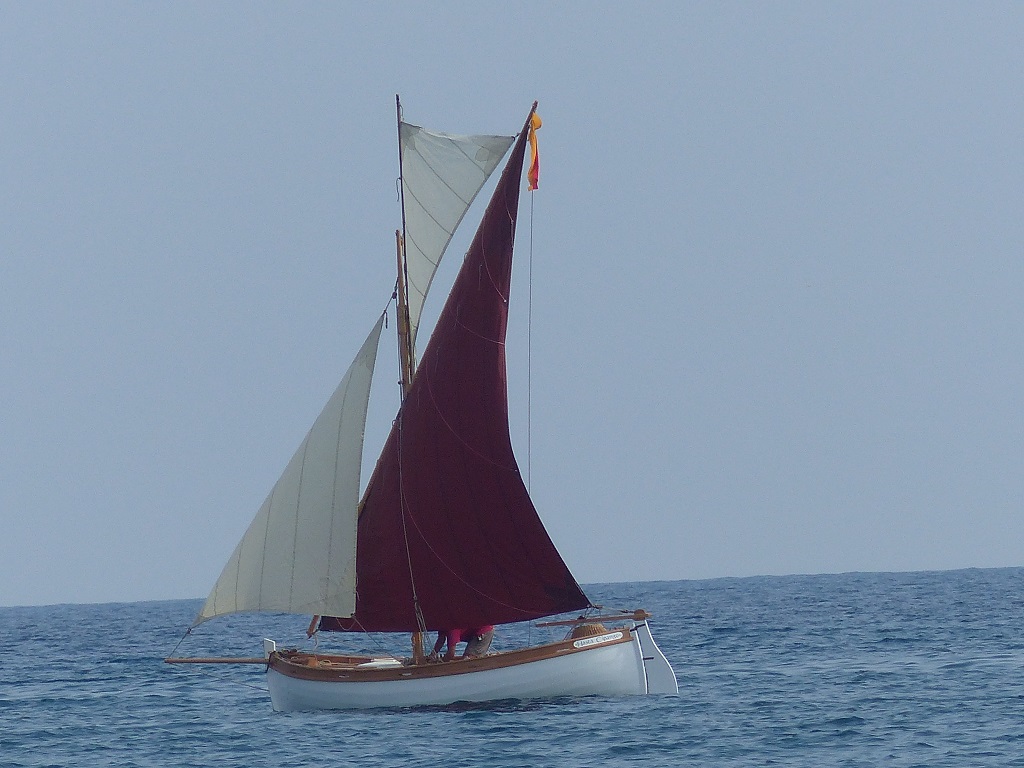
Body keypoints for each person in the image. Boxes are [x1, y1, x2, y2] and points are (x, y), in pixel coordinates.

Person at [428, 626, 494, 661]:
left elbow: (451, 653)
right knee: (465, 658)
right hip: (474, 634)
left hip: (484, 631)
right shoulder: (443, 626)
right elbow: (441, 640)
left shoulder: (452, 628)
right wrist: (431, 655)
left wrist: (441, 661)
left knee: (467, 659)